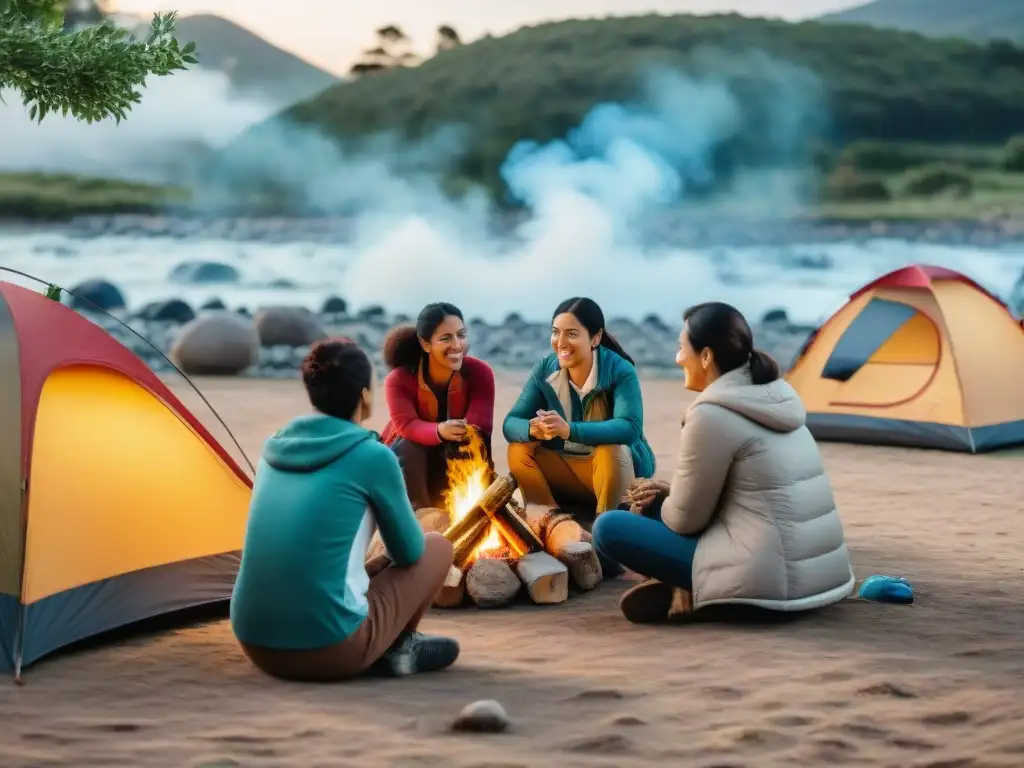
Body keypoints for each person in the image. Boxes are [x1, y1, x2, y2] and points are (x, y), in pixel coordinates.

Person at [591, 302, 855, 624]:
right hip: (820, 579)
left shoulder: (711, 415)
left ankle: (704, 596)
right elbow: (749, 495)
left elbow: (685, 521)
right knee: (643, 508)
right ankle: (688, 592)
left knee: (610, 526)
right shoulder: (774, 397)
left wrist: (663, 501)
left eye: (680, 348)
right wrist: (664, 497)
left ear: (706, 357)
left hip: (766, 583)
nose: (677, 359)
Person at [230, 338, 460, 681]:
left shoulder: (275, 446)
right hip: (330, 650)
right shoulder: (372, 456)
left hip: (255, 642)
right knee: (437, 547)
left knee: (351, 564)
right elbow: (410, 551)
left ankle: (383, 642)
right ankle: (398, 646)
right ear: (365, 396)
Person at [503, 297, 656, 521]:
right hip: (569, 472)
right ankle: (547, 517)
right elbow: (510, 423)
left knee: (609, 450)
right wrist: (532, 428)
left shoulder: (619, 370)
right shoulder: (546, 369)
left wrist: (569, 430)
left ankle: (607, 524)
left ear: (595, 338)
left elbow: (629, 427)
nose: (561, 342)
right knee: (519, 447)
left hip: (616, 476)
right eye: (556, 332)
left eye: (572, 334)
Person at [380, 302, 496, 510]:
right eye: (446, 338)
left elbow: (482, 423)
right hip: (409, 468)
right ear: (426, 344)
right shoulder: (398, 379)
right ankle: (419, 517)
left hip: (456, 462)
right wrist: (440, 430)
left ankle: (473, 511)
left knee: (472, 439)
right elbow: (407, 425)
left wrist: (461, 431)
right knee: (410, 444)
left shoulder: (480, 372)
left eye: (461, 335)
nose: (457, 345)